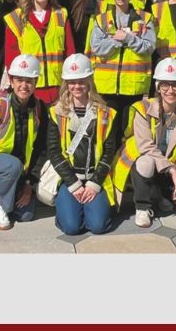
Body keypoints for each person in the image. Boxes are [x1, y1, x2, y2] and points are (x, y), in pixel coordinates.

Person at [111, 58, 176, 228]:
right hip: (144, 163)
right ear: (158, 87)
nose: (170, 90)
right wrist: (172, 170)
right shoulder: (143, 108)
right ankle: (143, 207)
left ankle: (160, 194)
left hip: (169, 166)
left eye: (175, 85)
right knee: (146, 163)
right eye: (165, 85)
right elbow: (146, 146)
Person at [0, 54, 49, 231]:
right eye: (19, 80)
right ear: (11, 81)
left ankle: (7, 195)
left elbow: (41, 149)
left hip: (20, 171)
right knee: (12, 165)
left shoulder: (39, 108)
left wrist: (29, 184)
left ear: (36, 82)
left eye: (29, 81)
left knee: (26, 215)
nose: (24, 86)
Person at [46, 54, 118, 235]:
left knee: (98, 226)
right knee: (71, 228)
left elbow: (109, 152)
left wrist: (94, 184)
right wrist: (74, 185)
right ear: (66, 84)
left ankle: (91, 209)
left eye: (81, 81)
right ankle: (71, 209)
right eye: (72, 82)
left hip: (96, 177)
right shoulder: (56, 112)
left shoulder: (106, 113)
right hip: (70, 178)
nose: (77, 86)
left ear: (89, 82)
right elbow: (54, 152)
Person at [88, 0, 156, 144]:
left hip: (134, 88)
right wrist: (118, 41)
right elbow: (97, 48)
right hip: (106, 88)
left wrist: (128, 38)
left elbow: (149, 47)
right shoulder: (101, 20)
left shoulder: (145, 19)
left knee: (130, 134)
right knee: (107, 135)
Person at [3, 0, 76, 105]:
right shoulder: (15, 19)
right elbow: (11, 58)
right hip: (29, 89)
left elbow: (70, 51)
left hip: (58, 88)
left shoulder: (61, 14)